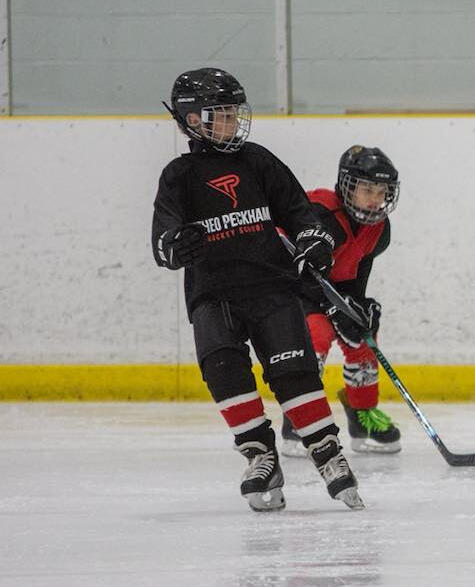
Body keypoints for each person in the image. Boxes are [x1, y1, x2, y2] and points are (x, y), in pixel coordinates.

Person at [152, 67, 364, 511]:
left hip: (272, 287)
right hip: (213, 295)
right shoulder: (179, 175)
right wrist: (173, 245)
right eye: (222, 114)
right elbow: (163, 237)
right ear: (193, 120)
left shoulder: (258, 161)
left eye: (234, 113)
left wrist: (313, 239)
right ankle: (260, 454)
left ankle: (326, 451)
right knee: (224, 370)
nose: (233, 122)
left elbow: (298, 211)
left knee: (294, 371)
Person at [280, 145, 402, 457]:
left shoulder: (379, 230)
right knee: (317, 335)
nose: (375, 199)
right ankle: (299, 419)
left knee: (362, 333)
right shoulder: (321, 213)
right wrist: (332, 306)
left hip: (327, 290)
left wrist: (357, 307)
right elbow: (293, 271)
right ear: (347, 186)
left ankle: (363, 417)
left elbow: (355, 278)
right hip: (290, 287)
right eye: (367, 189)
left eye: (382, 191)